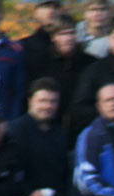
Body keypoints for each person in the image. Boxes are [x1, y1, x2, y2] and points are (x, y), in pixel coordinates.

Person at [25, 13, 96, 143]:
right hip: (46, 131)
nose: (68, 38)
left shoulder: (90, 64)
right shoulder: (38, 62)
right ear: (53, 37)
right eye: (62, 34)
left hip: (82, 131)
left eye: (71, 33)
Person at [20, 0, 59, 64]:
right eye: (46, 7)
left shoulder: (72, 46)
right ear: (35, 13)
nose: (51, 11)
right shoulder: (24, 46)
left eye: (56, 7)